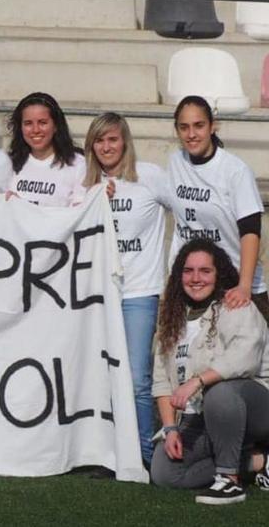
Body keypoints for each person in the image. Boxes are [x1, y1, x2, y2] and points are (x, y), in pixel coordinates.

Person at [150, 239, 269, 505]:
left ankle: (229, 480)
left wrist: (197, 381)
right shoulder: (173, 320)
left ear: (219, 274)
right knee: (164, 472)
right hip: (204, 417)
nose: (195, 278)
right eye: (188, 270)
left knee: (220, 391)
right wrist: (170, 429)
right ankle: (259, 460)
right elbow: (161, 382)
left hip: (255, 407)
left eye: (205, 271)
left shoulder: (235, 305)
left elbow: (245, 359)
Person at [83, 112, 170, 466]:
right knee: (100, 377)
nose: (106, 147)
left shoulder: (150, 176)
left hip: (138, 292)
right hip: (98, 294)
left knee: (136, 378)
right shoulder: (86, 186)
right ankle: (108, 454)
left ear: (125, 142)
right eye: (99, 140)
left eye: (112, 139)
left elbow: (186, 213)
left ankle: (144, 457)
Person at [167, 96, 265, 319]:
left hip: (234, 284)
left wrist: (244, 286)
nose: (191, 134)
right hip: (193, 284)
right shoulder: (175, 162)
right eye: (184, 127)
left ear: (213, 126)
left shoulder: (235, 171)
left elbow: (251, 231)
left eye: (199, 125)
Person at [5, 92, 85, 206]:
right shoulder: (7, 164)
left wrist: (23, 208)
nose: (35, 130)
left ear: (56, 125)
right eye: (28, 123)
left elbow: (78, 216)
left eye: (43, 122)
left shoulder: (78, 165)